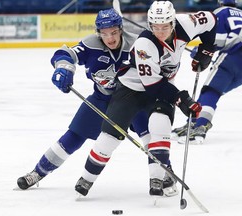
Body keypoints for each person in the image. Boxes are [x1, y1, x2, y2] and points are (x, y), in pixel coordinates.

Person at [74, 0, 217, 197]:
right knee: (109, 137)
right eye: (155, 27)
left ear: (173, 22)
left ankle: (157, 178)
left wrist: (206, 50)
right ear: (149, 25)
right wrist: (182, 98)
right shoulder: (144, 44)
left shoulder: (187, 23)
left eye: (165, 26)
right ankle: (86, 178)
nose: (160, 31)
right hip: (132, 88)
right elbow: (153, 84)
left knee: (160, 126)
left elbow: (211, 20)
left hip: (162, 86)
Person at [16, 8, 152, 191]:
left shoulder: (136, 44)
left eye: (113, 32)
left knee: (151, 136)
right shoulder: (91, 44)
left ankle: (165, 176)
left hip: (134, 99)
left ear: (120, 29)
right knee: (74, 136)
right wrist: (64, 69)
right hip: (102, 99)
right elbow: (64, 55)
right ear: (98, 33)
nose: (110, 38)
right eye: (104, 34)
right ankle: (38, 172)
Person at [172, 0, 242, 145]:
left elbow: (217, 39)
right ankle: (194, 122)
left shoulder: (221, 13)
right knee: (212, 93)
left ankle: (200, 125)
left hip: (232, 57)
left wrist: (200, 52)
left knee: (210, 90)